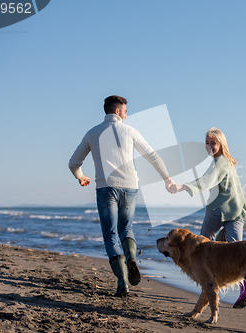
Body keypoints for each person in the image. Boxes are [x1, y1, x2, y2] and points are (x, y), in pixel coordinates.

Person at [69, 95, 176, 297]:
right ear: (117, 111)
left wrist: (81, 177)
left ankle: (124, 282)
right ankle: (132, 259)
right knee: (126, 228)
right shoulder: (130, 131)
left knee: (110, 235)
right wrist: (167, 178)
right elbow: (153, 156)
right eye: (126, 111)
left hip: (105, 188)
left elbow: (73, 163)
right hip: (130, 188)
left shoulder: (92, 133)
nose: (127, 116)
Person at [172, 127, 246, 309]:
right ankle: (244, 288)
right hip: (236, 210)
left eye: (213, 143)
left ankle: (207, 284)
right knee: (237, 250)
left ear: (221, 144)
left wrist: (182, 187)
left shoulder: (219, 162)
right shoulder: (227, 162)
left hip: (218, 210)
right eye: (207, 143)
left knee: (202, 244)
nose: (210, 147)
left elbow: (206, 182)